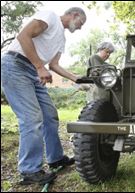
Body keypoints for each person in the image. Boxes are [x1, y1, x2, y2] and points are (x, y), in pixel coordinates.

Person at [1, 7, 87, 185]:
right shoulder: (50, 17)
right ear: (75, 15)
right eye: (81, 23)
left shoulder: (61, 39)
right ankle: (29, 170)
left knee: (50, 115)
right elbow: (23, 36)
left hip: (34, 72)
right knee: (32, 118)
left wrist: (76, 79)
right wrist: (40, 67)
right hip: (15, 65)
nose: (80, 28)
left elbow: (54, 65)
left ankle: (55, 158)